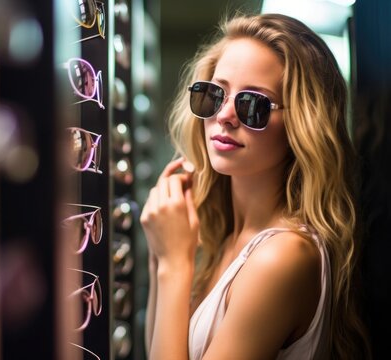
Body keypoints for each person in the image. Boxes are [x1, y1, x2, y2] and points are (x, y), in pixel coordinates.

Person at [141, 13, 370, 360]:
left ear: (301, 124)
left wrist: (174, 263)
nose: (224, 115)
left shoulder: (283, 257)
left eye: (253, 104)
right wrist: (160, 255)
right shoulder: (225, 238)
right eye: (214, 94)